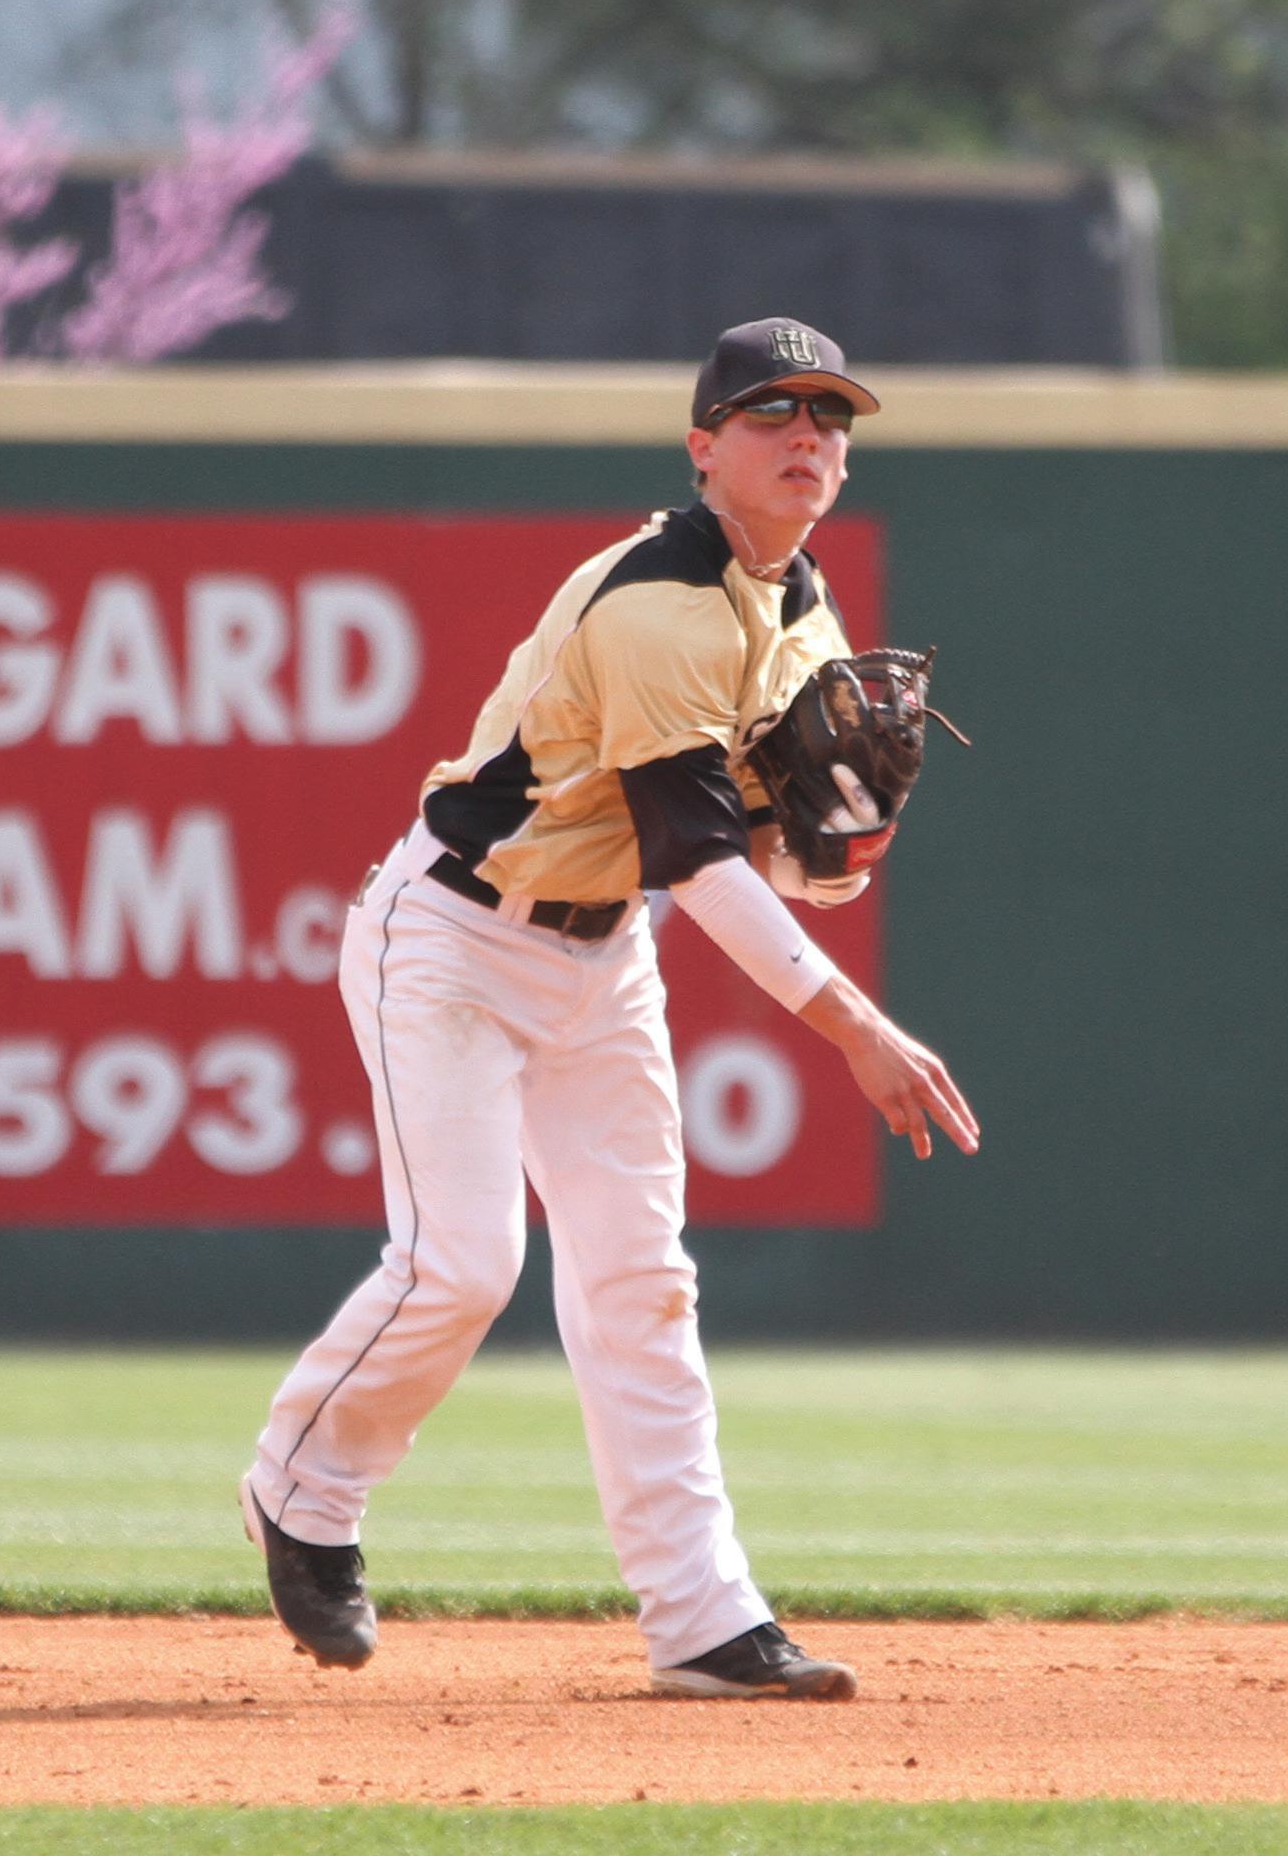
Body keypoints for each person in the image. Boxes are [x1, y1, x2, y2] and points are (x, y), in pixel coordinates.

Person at [239, 318, 977, 1700]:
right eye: (772, 413)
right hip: (453, 937)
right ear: (704, 448)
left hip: (600, 953)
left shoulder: (802, 614)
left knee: (642, 1280)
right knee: (463, 1264)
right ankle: (302, 1489)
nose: (808, 436)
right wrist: (856, 1026)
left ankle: (702, 1617)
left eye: (829, 416)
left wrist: (833, 856)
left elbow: (757, 854)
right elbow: (696, 859)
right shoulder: (658, 603)